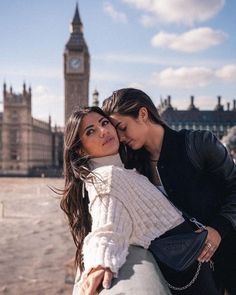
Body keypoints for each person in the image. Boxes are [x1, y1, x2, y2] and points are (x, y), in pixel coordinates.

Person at [62, 106, 221, 295]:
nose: (103, 131)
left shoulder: (123, 171)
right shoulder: (108, 177)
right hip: (187, 273)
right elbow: (107, 227)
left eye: (104, 123)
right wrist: (100, 264)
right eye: (91, 131)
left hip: (189, 264)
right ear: (80, 150)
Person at [102, 88, 236, 295]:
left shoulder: (198, 143)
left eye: (122, 127)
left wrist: (218, 228)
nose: (120, 137)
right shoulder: (133, 165)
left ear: (143, 114)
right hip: (189, 273)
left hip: (228, 254)